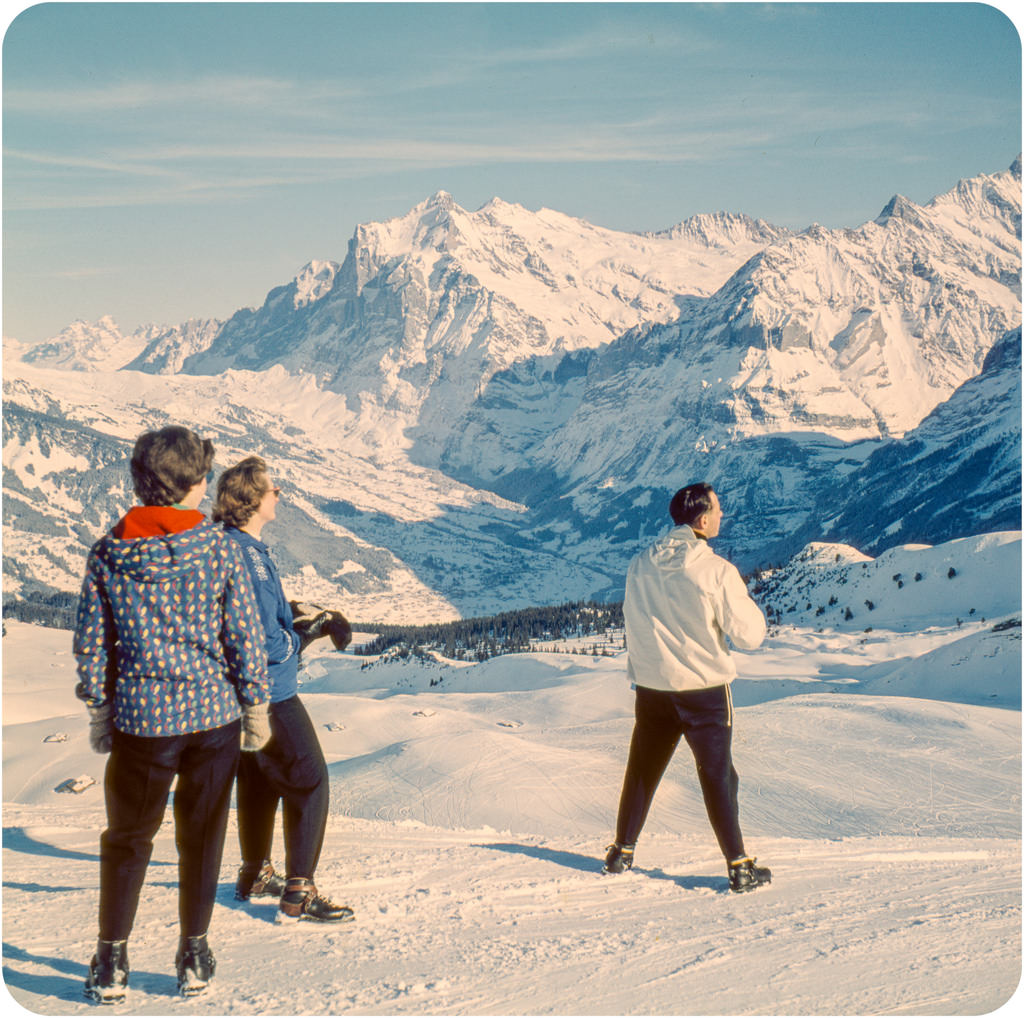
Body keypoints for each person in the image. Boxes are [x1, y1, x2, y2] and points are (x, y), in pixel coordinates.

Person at [74, 426, 271, 1004]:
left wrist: (99, 707)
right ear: (189, 484)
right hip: (213, 717)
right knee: (202, 835)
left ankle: (111, 961)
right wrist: (254, 703)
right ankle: (194, 954)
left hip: (142, 721)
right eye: (204, 475)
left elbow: (93, 641)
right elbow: (243, 634)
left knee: (128, 838)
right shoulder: (219, 547)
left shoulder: (110, 552)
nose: (208, 483)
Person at [603, 482, 772, 893]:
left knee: (643, 767)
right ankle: (739, 866)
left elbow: (633, 621)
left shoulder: (640, 564)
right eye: (718, 511)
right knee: (718, 775)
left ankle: (621, 852)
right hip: (704, 690)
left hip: (652, 687)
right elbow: (749, 635)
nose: (722, 516)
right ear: (702, 520)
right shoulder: (716, 571)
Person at [213, 456, 354, 924]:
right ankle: (299, 888)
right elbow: (263, 638)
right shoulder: (248, 557)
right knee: (310, 779)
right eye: (273, 490)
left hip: (235, 693)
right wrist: (303, 634)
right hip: (269, 691)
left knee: (258, 779)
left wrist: (292, 612)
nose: (279, 496)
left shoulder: (226, 546)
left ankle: (255, 871)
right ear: (252, 500)